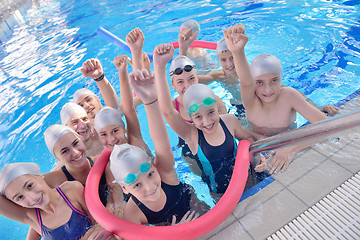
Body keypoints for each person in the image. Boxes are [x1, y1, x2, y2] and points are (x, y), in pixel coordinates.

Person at [153, 43, 261, 195]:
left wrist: (256, 156)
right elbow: (167, 112)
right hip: (220, 192)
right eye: (198, 117)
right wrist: (159, 66)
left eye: (211, 113)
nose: (207, 121)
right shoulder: (191, 134)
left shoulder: (228, 120)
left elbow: (246, 137)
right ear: (191, 117)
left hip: (246, 176)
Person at [223, 23, 328, 174]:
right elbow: (245, 80)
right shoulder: (251, 101)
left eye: (274, 80)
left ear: (281, 79)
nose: (268, 89)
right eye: (259, 82)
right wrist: (238, 52)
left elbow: (326, 126)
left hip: (288, 141)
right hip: (260, 145)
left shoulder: (289, 95)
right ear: (253, 83)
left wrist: (291, 148)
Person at [110, 68, 198, 225]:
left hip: (192, 204)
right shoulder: (132, 213)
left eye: (150, 174)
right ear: (125, 189)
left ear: (154, 166)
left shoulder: (164, 172)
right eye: (136, 185)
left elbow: (160, 141)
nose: (150, 187)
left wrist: (150, 101)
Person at [0, 162, 108, 240]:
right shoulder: (31, 217)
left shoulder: (72, 190)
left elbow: (99, 222)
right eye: (19, 198)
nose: (32, 198)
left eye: (30, 186)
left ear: (40, 176)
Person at [95, 55, 152, 158]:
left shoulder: (135, 141)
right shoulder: (108, 161)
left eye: (115, 131)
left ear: (124, 129)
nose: (111, 139)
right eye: (103, 134)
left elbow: (128, 109)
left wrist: (122, 71)